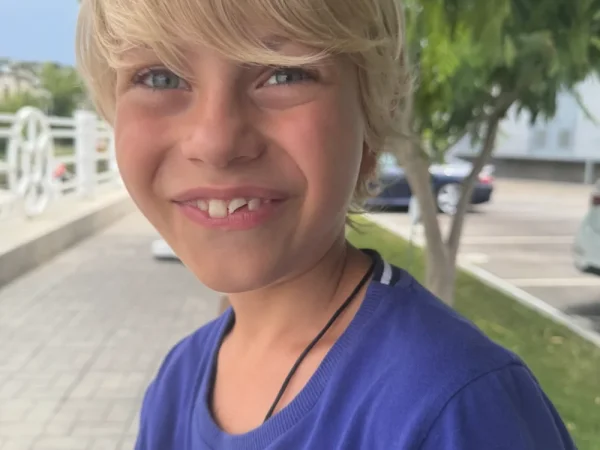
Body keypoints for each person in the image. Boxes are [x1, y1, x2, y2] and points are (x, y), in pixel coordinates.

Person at [75, 0, 576, 449]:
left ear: (371, 127)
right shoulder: (177, 382)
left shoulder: (454, 407)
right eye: (160, 78)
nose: (216, 141)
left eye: (284, 74)